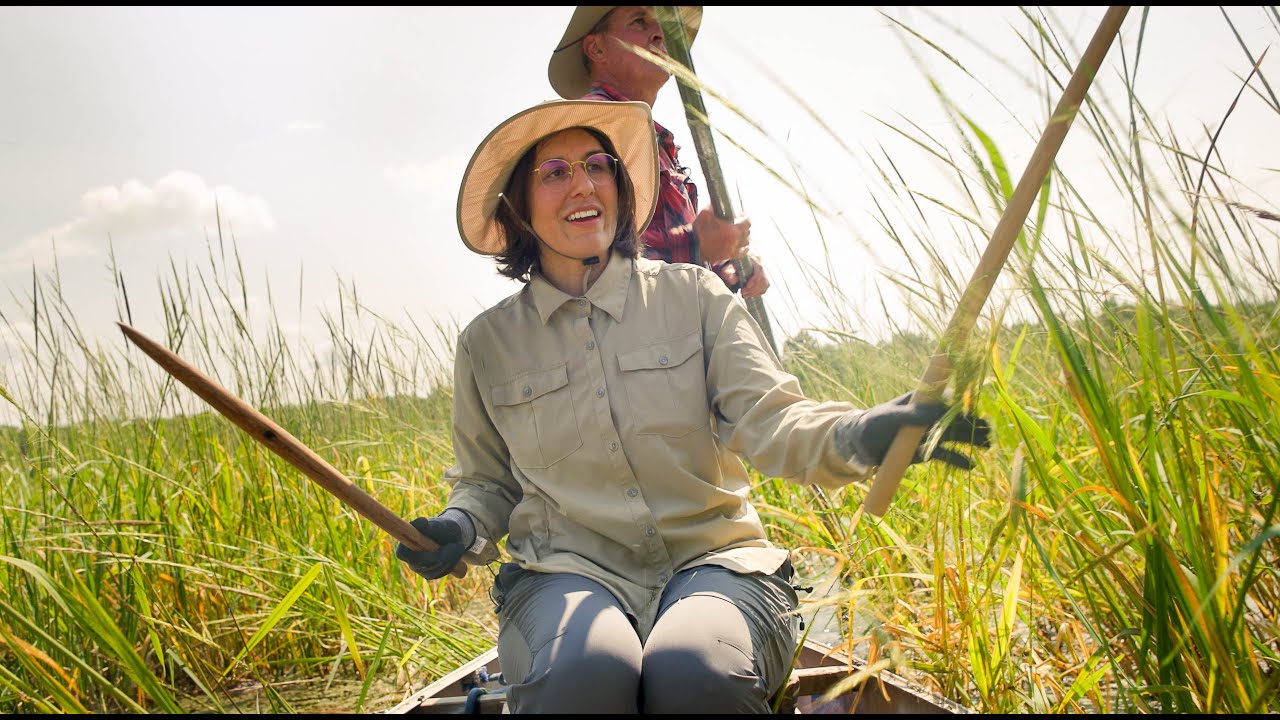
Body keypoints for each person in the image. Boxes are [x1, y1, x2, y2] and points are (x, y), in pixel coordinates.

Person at [395, 98, 991, 713]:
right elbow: (488, 485)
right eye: (554, 172)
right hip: (564, 573)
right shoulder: (488, 344)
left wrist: (861, 432)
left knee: (693, 670)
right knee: (585, 674)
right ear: (518, 207)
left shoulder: (694, 296)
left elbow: (772, 419)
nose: (583, 184)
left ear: (621, 189)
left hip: (715, 561)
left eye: (598, 165)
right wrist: (458, 527)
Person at [548, 5, 770, 299]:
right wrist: (697, 244)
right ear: (597, 48)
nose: (659, 33)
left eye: (661, 24)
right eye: (639, 22)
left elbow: (662, 270)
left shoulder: (653, 137)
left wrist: (727, 263)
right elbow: (586, 254)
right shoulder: (586, 129)